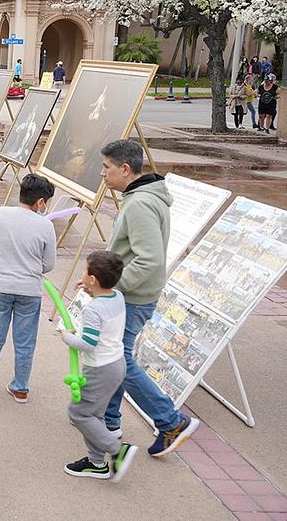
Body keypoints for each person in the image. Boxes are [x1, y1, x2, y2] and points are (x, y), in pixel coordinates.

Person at [100, 139, 199, 455]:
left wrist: (112, 286)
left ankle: (170, 421)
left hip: (133, 296)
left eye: (106, 167)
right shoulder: (139, 197)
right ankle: (109, 422)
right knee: (115, 357)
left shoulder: (140, 203)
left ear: (124, 169)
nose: (102, 173)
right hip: (131, 294)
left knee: (119, 360)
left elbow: (149, 260)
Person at [59, 250, 139, 481]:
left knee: (78, 413)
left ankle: (117, 450)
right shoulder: (117, 296)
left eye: (85, 271)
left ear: (93, 279)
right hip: (116, 364)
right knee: (94, 414)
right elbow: (104, 308)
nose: (83, 274)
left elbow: (88, 343)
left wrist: (66, 336)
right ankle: (96, 463)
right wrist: (90, 289)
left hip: (100, 369)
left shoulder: (93, 309)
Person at [0, 174, 56, 402]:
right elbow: (49, 264)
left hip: (0, 285)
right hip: (29, 290)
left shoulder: (1, 214)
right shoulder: (46, 225)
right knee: (25, 342)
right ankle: (20, 387)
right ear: (40, 202)